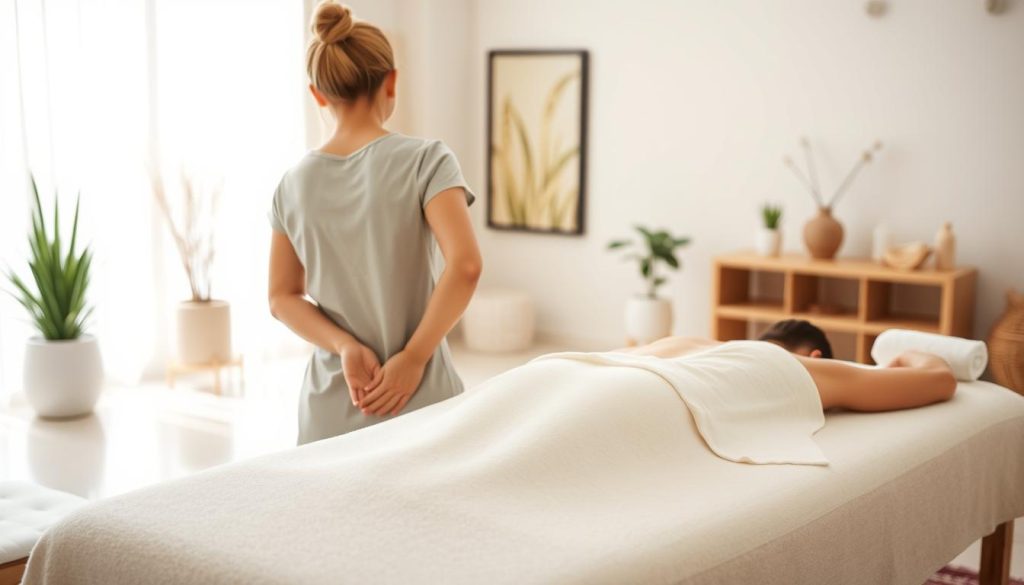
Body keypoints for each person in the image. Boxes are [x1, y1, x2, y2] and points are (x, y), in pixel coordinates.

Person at [267, 1, 481, 444]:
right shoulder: (427, 160)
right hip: (421, 401)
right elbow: (466, 266)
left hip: (331, 408)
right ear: (392, 81)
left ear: (318, 94)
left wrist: (345, 346)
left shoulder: (292, 184)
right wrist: (414, 358)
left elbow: (282, 297)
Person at [620, 319, 957, 413]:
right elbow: (940, 379)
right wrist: (903, 356)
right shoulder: (792, 367)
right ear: (816, 358)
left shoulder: (686, 341)